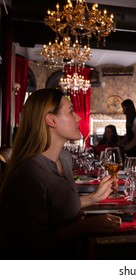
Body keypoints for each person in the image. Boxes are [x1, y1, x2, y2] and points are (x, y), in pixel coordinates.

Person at [0, 88, 121, 259]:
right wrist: (85, 226)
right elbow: (30, 247)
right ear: (51, 119)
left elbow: (57, 209)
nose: (78, 117)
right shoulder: (29, 173)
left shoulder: (64, 159)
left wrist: (94, 198)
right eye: (71, 111)